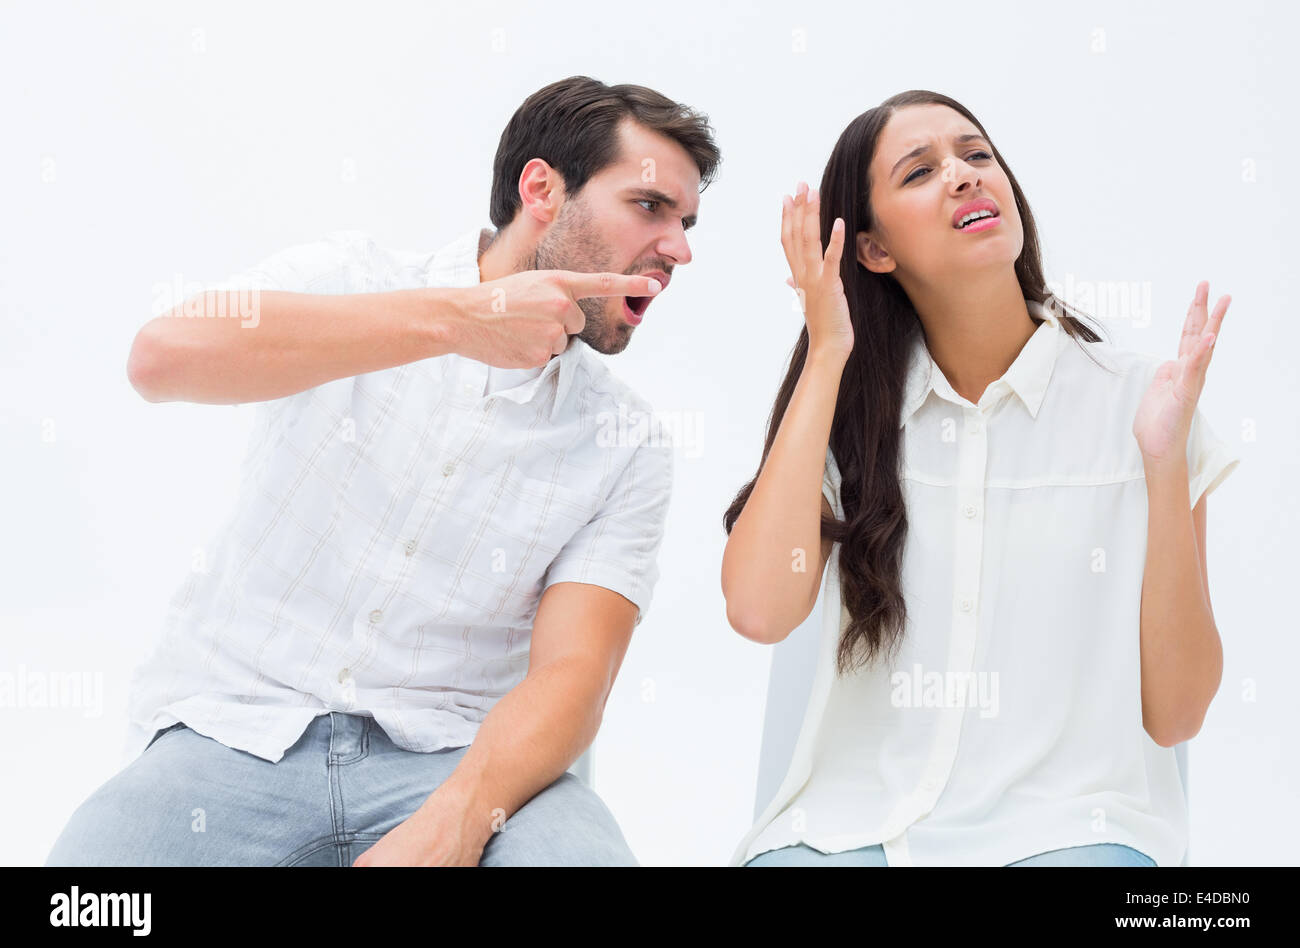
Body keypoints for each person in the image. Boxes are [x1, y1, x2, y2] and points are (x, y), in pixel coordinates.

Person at [45, 75, 719, 867]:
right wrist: (455, 320)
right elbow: (161, 360)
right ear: (541, 188)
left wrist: (459, 819)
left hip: (468, 765)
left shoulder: (628, 441)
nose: (679, 249)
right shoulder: (352, 278)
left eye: (687, 221)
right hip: (233, 732)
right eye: (650, 208)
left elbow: (575, 672)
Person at [720, 90, 1238, 867]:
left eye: (977, 155)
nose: (963, 176)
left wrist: (1164, 471)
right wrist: (826, 351)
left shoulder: (1145, 405)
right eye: (921, 171)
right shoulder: (849, 416)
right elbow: (759, 611)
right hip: (850, 831)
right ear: (873, 250)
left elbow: (1178, 714)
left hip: (1075, 832)